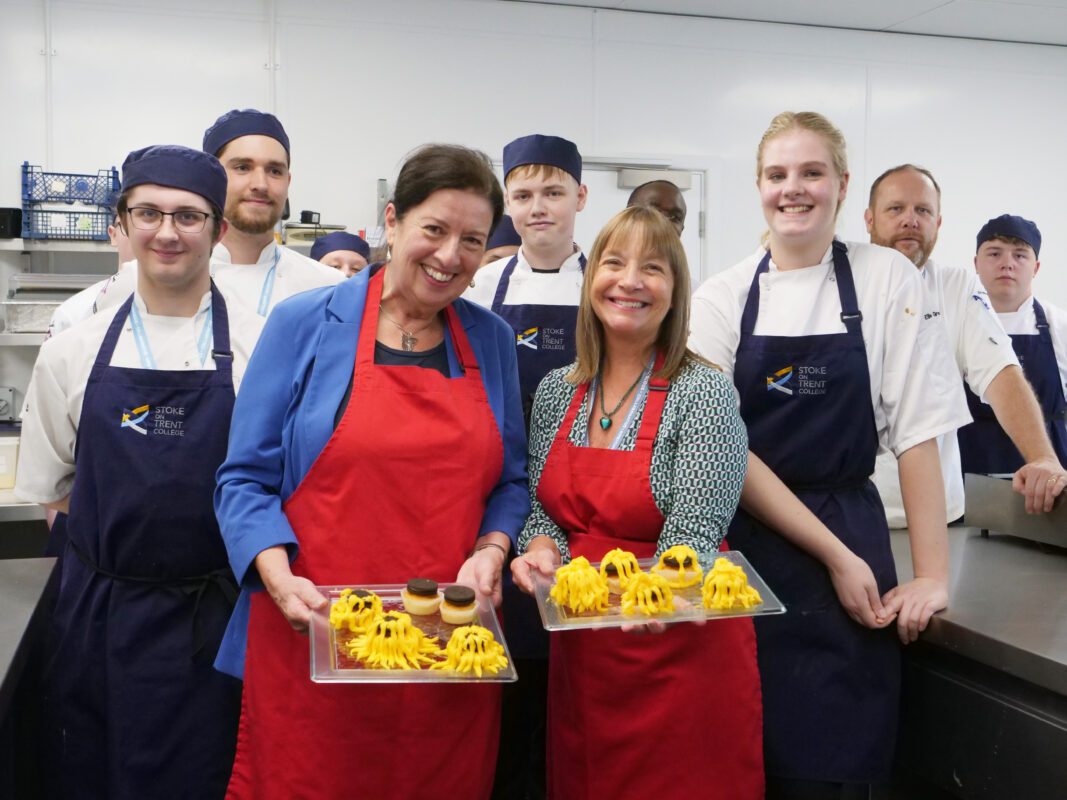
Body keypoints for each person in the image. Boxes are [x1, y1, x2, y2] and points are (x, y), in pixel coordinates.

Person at [213, 144, 529, 800]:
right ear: (392, 220)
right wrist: (276, 575)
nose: (450, 256)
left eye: (472, 241)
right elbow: (243, 479)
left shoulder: (491, 338)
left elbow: (510, 481)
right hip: (315, 633)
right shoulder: (305, 324)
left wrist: (492, 549)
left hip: (446, 651)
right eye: (434, 229)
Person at [689, 111, 970, 798]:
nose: (793, 188)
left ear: (842, 186)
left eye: (811, 173)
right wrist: (835, 555)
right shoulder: (722, 296)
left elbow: (919, 430)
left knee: (835, 766)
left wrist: (931, 576)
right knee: (738, 760)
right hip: (740, 556)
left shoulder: (885, 278)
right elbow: (721, 448)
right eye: (777, 174)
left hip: (851, 540)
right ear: (758, 186)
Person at [14, 145, 264, 799]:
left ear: (219, 230)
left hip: (216, 622)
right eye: (148, 213)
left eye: (188, 216)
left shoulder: (262, 346)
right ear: (122, 223)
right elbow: (54, 495)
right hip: (99, 620)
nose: (166, 232)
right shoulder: (72, 352)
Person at [511, 205, 760, 799]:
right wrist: (541, 546)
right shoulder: (558, 390)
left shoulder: (703, 391)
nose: (629, 281)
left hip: (677, 643)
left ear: (675, 290)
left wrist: (662, 593)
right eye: (614, 263)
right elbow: (544, 508)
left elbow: (695, 532)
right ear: (591, 277)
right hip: (585, 647)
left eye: (652, 268)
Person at [865, 165, 1065, 522]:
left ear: (938, 223)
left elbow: (1000, 371)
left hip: (941, 514)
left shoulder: (956, 288)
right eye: (896, 208)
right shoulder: (843, 283)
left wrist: (1043, 457)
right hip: (856, 509)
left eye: (923, 210)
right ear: (869, 219)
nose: (910, 220)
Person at [464, 133, 588, 421]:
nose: (537, 209)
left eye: (553, 193)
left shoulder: (603, 284)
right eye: (523, 196)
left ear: (580, 197)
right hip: (501, 436)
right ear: (508, 201)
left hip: (582, 438)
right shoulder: (480, 285)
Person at [961, 214, 1067, 477]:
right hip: (967, 480)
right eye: (994, 254)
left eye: (1020, 255)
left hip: (1046, 482)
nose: (1007, 264)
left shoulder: (1060, 326)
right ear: (976, 263)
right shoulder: (953, 325)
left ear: (1036, 267)